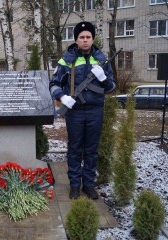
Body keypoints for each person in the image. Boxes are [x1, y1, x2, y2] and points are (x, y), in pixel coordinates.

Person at [49, 22, 116, 200]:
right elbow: (54, 84)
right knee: (75, 149)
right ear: (76, 40)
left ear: (92, 39)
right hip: (75, 112)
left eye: (88, 37)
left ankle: (88, 184)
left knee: (92, 149)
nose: (85, 40)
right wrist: (62, 98)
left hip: (95, 110)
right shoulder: (66, 60)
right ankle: (75, 185)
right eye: (81, 37)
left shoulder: (102, 59)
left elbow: (111, 88)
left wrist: (103, 79)